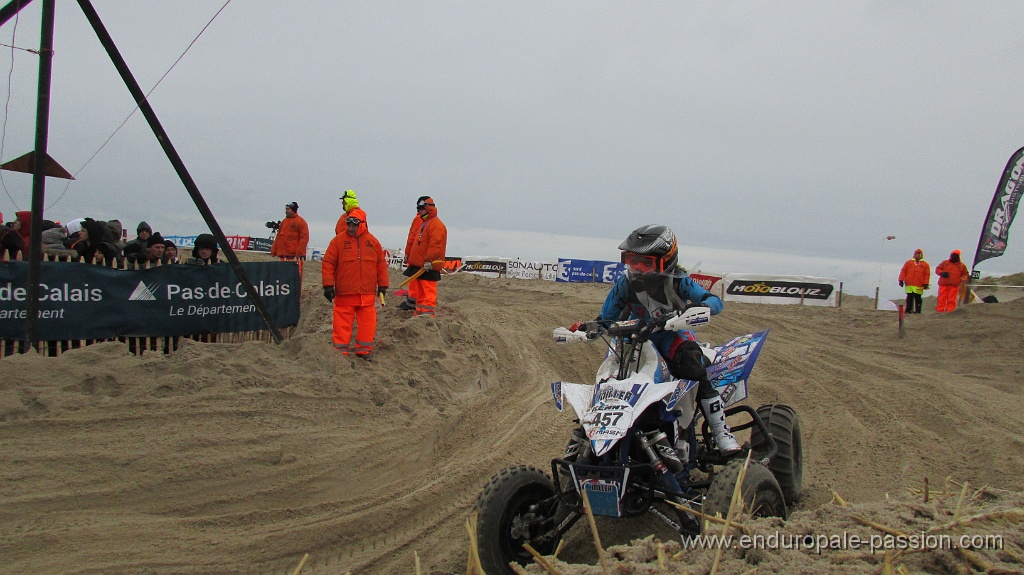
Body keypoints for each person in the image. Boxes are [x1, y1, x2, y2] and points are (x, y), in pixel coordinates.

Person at [588, 224, 740, 455]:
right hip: (635, 342)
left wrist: (697, 310)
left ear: (666, 261)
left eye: (645, 262)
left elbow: (714, 302)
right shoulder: (625, 283)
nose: (637, 268)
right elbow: (606, 319)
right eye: (631, 260)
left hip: (672, 337)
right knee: (611, 378)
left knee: (693, 368)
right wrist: (589, 329)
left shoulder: (679, 282)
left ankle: (722, 433)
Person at [321, 214, 389, 358]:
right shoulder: (338, 241)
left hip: (367, 294)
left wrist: (383, 286)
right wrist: (328, 285)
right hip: (345, 292)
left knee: (368, 324)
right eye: (349, 224)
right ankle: (340, 353)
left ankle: (363, 351)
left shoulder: (373, 242)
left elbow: (381, 266)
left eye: (354, 225)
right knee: (341, 324)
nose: (351, 228)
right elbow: (328, 263)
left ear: (362, 224)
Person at [401, 196, 448, 317]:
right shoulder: (425, 223)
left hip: (428, 266)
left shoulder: (436, 225)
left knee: (428, 292)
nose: (419, 211)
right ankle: (420, 313)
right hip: (421, 265)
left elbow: (436, 245)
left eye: (421, 209)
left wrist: (430, 261)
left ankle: (427, 316)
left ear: (427, 208)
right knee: (421, 292)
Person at [270, 201, 310, 269]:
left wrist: (299, 253)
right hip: (282, 255)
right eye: (286, 209)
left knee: (294, 277)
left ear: (293, 210)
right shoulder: (284, 221)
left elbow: (304, 238)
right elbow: (278, 236)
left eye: (288, 209)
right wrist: (274, 250)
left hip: (294, 256)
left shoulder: (301, 222)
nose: (286, 211)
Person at [897, 248, 930, 314]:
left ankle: (918, 311)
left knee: (918, 298)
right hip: (909, 284)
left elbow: (927, 274)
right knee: (909, 297)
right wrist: (901, 280)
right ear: (914, 254)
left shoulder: (925, 265)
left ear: (921, 255)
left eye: (919, 254)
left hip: (919, 284)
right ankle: (908, 310)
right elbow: (903, 271)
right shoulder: (909, 263)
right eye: (916, 254)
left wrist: (926, 283)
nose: (917, 255)